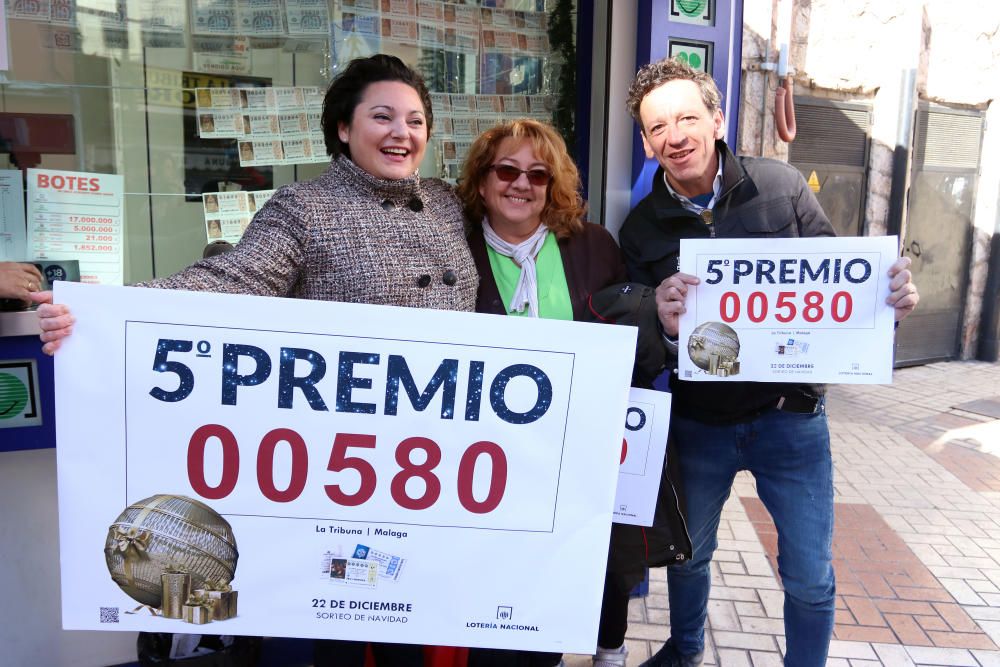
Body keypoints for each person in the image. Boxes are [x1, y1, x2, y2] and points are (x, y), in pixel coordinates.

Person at [34, 53, 477, 667]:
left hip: (430, 457)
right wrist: (104, 311)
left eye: (416, 120)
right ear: (344, 129)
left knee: (420, 617)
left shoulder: (448, 203)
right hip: (342, 460)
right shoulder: (305, 207)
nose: (402, 133)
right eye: (382, 117)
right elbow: (233, 279)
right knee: (340, 623)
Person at [618, 58, 920, 667]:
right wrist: (660, 315)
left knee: (808, 572)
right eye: (657, 127)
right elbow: (645, 341)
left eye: (686, 117)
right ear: (646, 141)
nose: (674, 136)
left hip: (792, 421)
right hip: (699, 423)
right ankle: (684, 650)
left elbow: (841, 285)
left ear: (717, 119)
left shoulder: (779, 187)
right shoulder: (642, 228)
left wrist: (887, 303)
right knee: (690, 556)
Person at [457, 118, 687, 667]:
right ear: (483, 181)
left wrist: (667, 324)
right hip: (487, 457)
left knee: (597, 561)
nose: (522, 184)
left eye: (539, 174)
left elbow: (635, 346)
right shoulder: (452, 248)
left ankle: (604, 648)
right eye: (507, 170)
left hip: (578, 447)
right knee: (507, 579)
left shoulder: (593, 246)